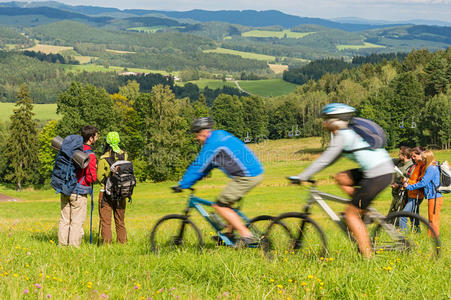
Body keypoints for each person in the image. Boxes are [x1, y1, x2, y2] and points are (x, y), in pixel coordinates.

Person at [291, 103, 394, 258]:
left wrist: (302, 176)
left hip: (376, 174)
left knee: (350, 214)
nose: (323, 123)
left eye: (326, 119)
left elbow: (324, 160)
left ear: (335, 121)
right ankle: (364, 210)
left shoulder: (343, 136)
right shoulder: (351, 133)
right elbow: (331, 159)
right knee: (341, 177)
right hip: (381, 169)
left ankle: (368, 258)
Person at [175, 117, 264, 246]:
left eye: (197, 135)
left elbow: (198, 166)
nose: (197, 138)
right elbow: (207, 167)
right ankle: (228, 236)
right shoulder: (220, 135)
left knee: (219, 205)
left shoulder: (212, 144)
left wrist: (183, 184)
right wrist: (196, 179)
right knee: (227, 204)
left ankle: (246, 235)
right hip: (254, 172)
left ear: (204, 132)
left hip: (246, 176)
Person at [58, 125, 98, 247]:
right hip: (79, 193)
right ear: (91, 138)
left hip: (65, 188)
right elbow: (92, 178)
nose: (97, 137)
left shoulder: (72, 150)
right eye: (96, 135)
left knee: (65, 220)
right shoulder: (90, 155)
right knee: (76, 221)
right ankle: (73, 248)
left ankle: (62, 245)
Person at [97, 132, 128, 244]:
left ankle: (107, 244)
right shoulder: (124, 155)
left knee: (106, 221)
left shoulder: (103, 158)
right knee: (120, 220)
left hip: (106, 192)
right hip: (121, 192)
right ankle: (123, 243)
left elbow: (100, 177)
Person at [404, 150, 443, 236]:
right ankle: (433, 237)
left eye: (423, 158)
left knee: (432, 219)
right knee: (433, 218)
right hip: (433, 196)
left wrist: (409, 187)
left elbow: (423, 183)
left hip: (434, 197)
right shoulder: (432, 167)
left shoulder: (431, 168)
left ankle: (432, 238)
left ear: (427, 158)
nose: (422, 159)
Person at [399, 147, 425, 231]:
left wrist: (407, 181)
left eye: (414, 156)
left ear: (420, 155)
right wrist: (407, 180)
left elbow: (420, 182)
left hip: (416, 194)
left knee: (403, 215)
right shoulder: (416, 165)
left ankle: (403, 235)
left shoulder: (422, 166)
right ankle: (417, 231)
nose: (412, 158)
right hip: (412, 194)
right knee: (414, 215)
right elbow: (414, 179)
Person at [387, 146, 413, 215]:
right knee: (391, 215)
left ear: (404, 156)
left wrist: (398, 186)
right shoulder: (399, 162)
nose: (398, 155)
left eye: (399, 154)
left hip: (404, 195)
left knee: (399, 215)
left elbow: (410, 183)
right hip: (396, 193)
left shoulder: (411, 167)